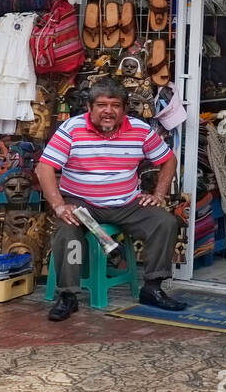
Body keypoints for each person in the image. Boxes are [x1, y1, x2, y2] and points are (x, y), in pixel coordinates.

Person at [36, 78, 187, 321]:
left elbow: (168, 159)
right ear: (89, 107)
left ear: (123, 109)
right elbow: (45, 168)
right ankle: (68, 296)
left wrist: (159, 194)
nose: (109, 111)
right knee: (67, 231)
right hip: (82, 202)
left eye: (115, 105)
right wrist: (58, 205)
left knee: (164, 222)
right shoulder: (72, 129)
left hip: (126, 203)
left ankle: (152, 287)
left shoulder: (139, 130)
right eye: (102, 105)